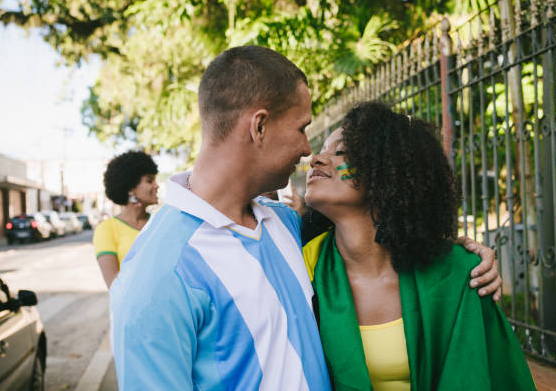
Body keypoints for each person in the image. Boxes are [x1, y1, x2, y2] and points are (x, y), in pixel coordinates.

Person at [110, 46, 500, 390]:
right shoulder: (157, 276)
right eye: (302, 128)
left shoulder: (287, 226)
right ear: (259, 126)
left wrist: (464, 250)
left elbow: (386, 229)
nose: (307, 150)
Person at [303, 102, 534, 390]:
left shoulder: (461, 275)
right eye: (322, 150)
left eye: (341, 152)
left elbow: (487, 376)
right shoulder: (299, 267)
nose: (316, 159)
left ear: (388, 172)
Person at [93, 151, 159, 288]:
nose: (156, 185)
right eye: (149, 180)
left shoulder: (159, 223)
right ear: (131, 188)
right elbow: (114, 284)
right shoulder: (107, 230)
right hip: (131, 308)